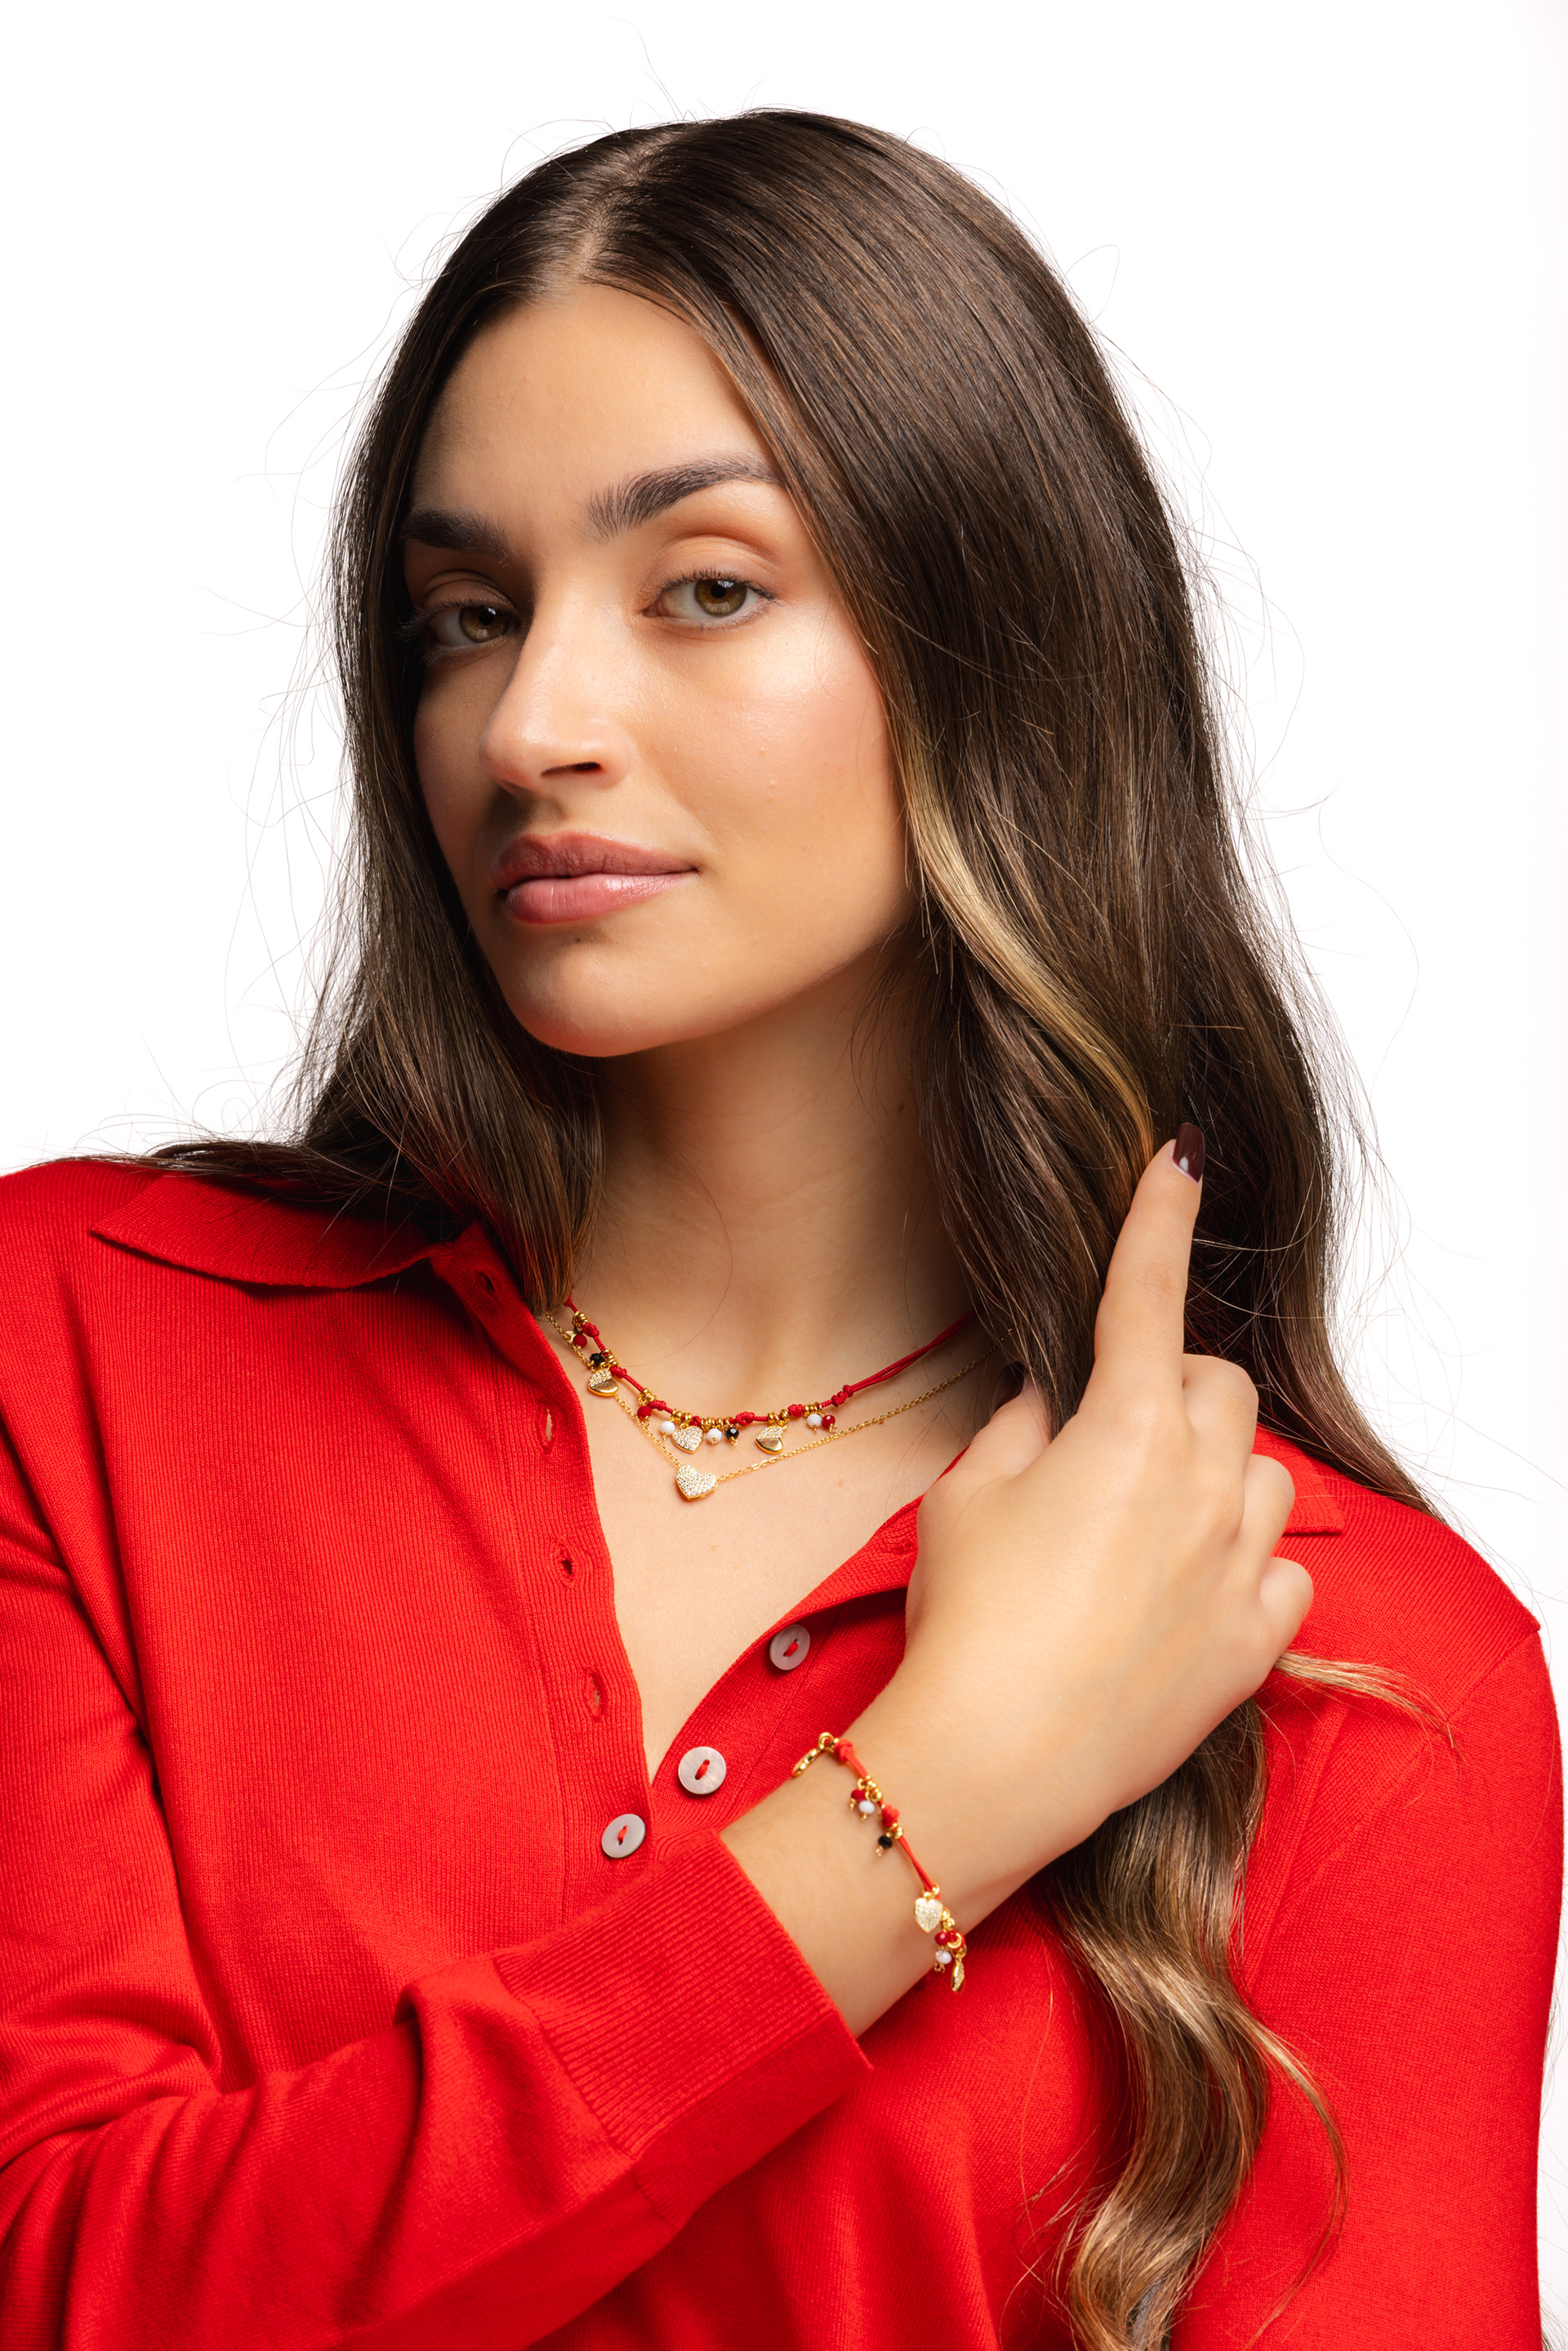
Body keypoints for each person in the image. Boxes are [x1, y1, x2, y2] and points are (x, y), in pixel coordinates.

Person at [0, 110, 1556, 2351]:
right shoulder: (82, 1354)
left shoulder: (1340, 1653)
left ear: (996, 644)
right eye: (465, 619)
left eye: (706, 588)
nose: (531, 723)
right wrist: (934, 1798)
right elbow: (64, 2284)